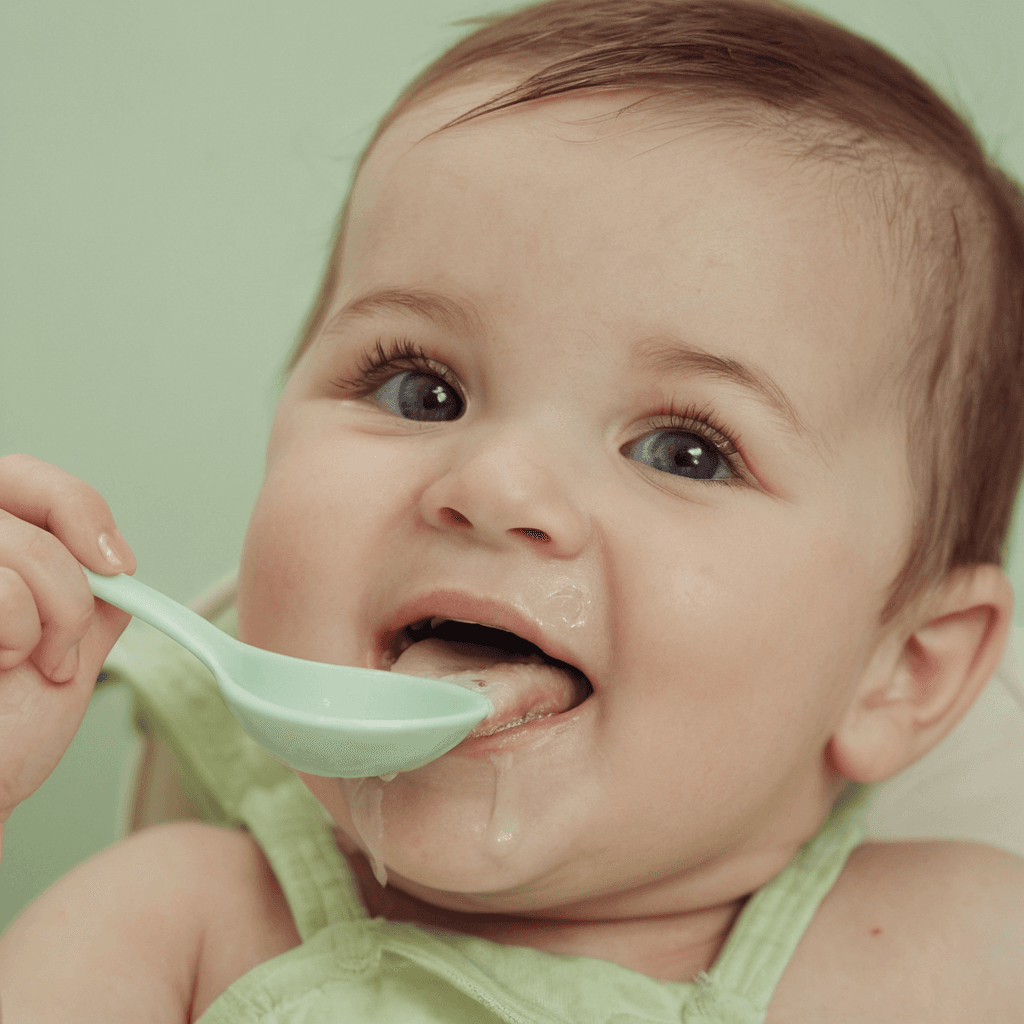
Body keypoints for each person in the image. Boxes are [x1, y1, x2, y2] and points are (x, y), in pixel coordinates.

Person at [1, 0, 1023, 1019]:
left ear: (903, 668)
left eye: (686, 451)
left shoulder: (964, 955)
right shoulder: (175, 929)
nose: (495, 484)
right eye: (419, 388)